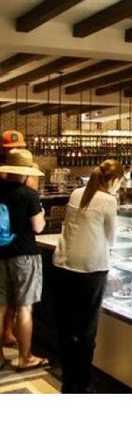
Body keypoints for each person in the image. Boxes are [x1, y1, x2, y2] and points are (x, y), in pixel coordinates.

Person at [52, 160, 124, 393]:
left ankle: (68, 381)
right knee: (86, 330)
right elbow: (111, 239)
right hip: (91, 268)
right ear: (115, 180)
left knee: (67, 327)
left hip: (64, 264)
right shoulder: (108, 200)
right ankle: (81, 385)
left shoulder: (77, 193)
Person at [0, 148, 47, 372]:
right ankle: (25, 357)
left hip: (1, 254)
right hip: (24, 255)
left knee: (1, 307)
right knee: (24, 308)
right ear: (25, 172)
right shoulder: (28, 194)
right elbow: (38, 227)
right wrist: (42, 215)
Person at [1, 130, 27, 352]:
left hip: (8, 239)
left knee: (7, 298)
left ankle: (7, 334)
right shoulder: (9, 174)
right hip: (14, 243)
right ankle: (9, 336)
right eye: (10, 148)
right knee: (13, 300)